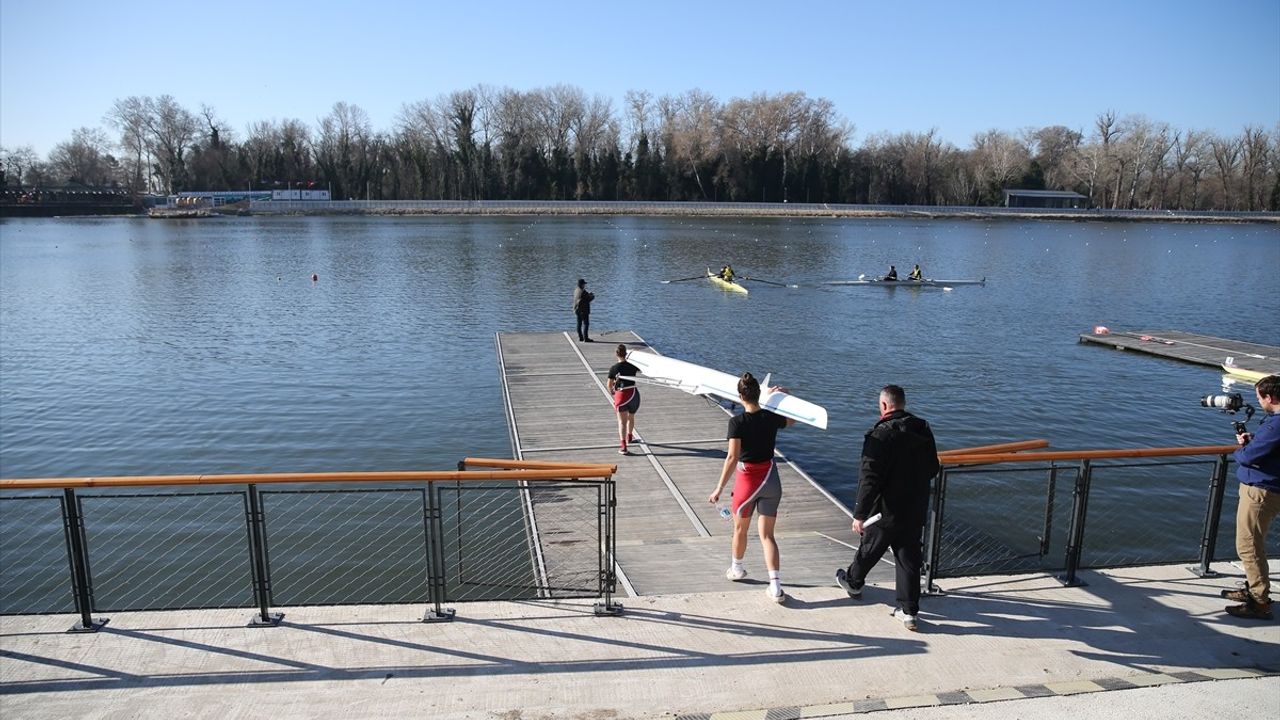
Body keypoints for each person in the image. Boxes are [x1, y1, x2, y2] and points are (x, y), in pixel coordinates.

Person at [835, 385, 939, 631]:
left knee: (870, 547)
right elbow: (933, 468)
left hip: (885, 509)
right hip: (915, 505)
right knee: (908, 557)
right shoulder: (922, 428)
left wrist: (859, 514)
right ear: (902, 403)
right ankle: (909, 611)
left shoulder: (878, 436)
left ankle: (853, 582)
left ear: (883, 406)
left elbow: (869, 478)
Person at [708, 373, 796, 603]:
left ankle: (737, 569)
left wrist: (718, 488)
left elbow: (732, 457)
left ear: (739, 397)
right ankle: (775, 586)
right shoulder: (770, 417)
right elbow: (792, 421)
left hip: (748, 483)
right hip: (771, 480)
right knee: (768, 535)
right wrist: (782, 396)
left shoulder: (736, 423)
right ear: (759, 394)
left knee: (740, 530)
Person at [1223, 374, 1280, 621]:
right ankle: (1254, 589)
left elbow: (1247, 457)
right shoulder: (1274, 423)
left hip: (1261, 492)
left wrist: (1243, 449)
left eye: (1260, 398)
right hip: (1267, 487)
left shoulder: (1277, 424)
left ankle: (1259, 602)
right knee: (1254, 543)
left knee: (1248, 546)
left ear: (1270, 397)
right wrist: (1253, 442)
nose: (1259, 403)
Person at [606, 344, 641, 455]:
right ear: (626, 354)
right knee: (631, 416)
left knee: (622, 422)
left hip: (622, 396)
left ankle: (623, 446)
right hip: (634, 394)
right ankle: (630, 436)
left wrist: (613, 392)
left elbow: (609, 385)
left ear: (616, 354)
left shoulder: (614, 368)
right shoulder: (633, 366)